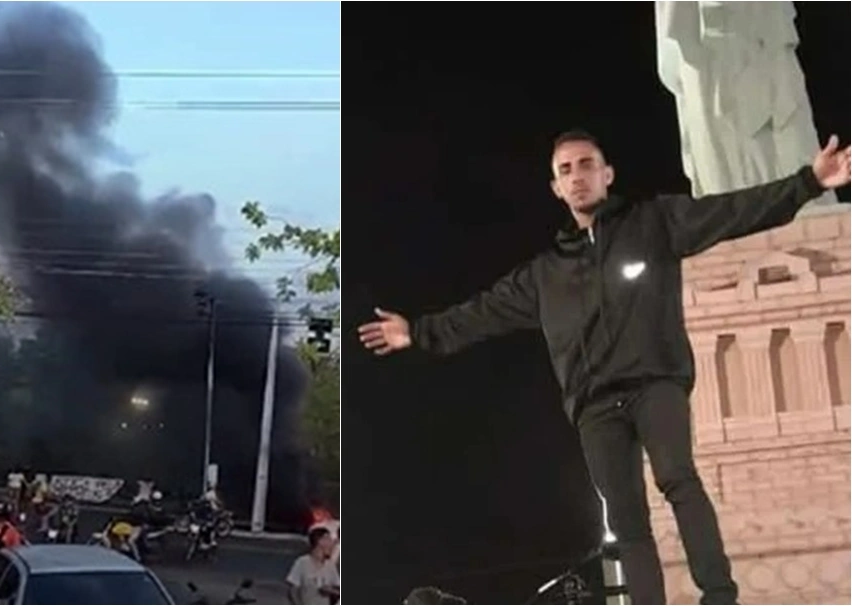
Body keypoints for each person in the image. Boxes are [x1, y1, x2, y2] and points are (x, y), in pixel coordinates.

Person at [357, 130, 851, 605]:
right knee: (627, 516)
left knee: (677, 477)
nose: (577, 176)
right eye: (565, 170)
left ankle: (719, 596)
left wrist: (807, 182)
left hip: (654, 381)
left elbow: (729, 213)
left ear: (607, 174)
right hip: (594, 404)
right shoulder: (545, 274)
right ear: (555, 187)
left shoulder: (654, 223)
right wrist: (419, 332)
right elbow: (483, 311)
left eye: (587, 165)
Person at [285, 527, 340, 605]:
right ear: (320, 541)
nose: (332, 545)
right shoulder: (302, 562)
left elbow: (338, 588)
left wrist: (331, 591)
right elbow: (293, 591)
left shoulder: (330, 566)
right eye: (329, 540)